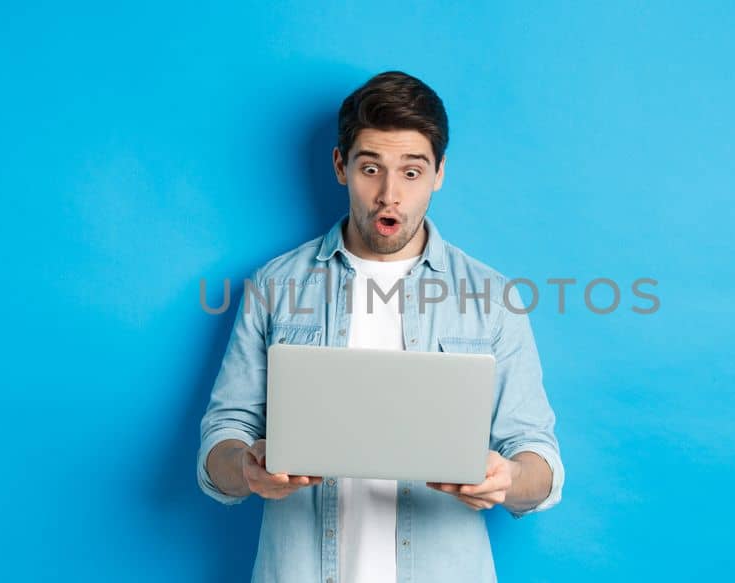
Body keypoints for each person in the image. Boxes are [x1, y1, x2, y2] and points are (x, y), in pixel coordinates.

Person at [197, 70, 564, 583]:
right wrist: (247, 467)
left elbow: (540, 463)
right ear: (340, 166)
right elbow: (221, 441)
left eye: (411, 173)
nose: (390, 194)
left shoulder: (493, 298)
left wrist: (509, 477)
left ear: (439, 173)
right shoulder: (274, 286)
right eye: (371, 168)